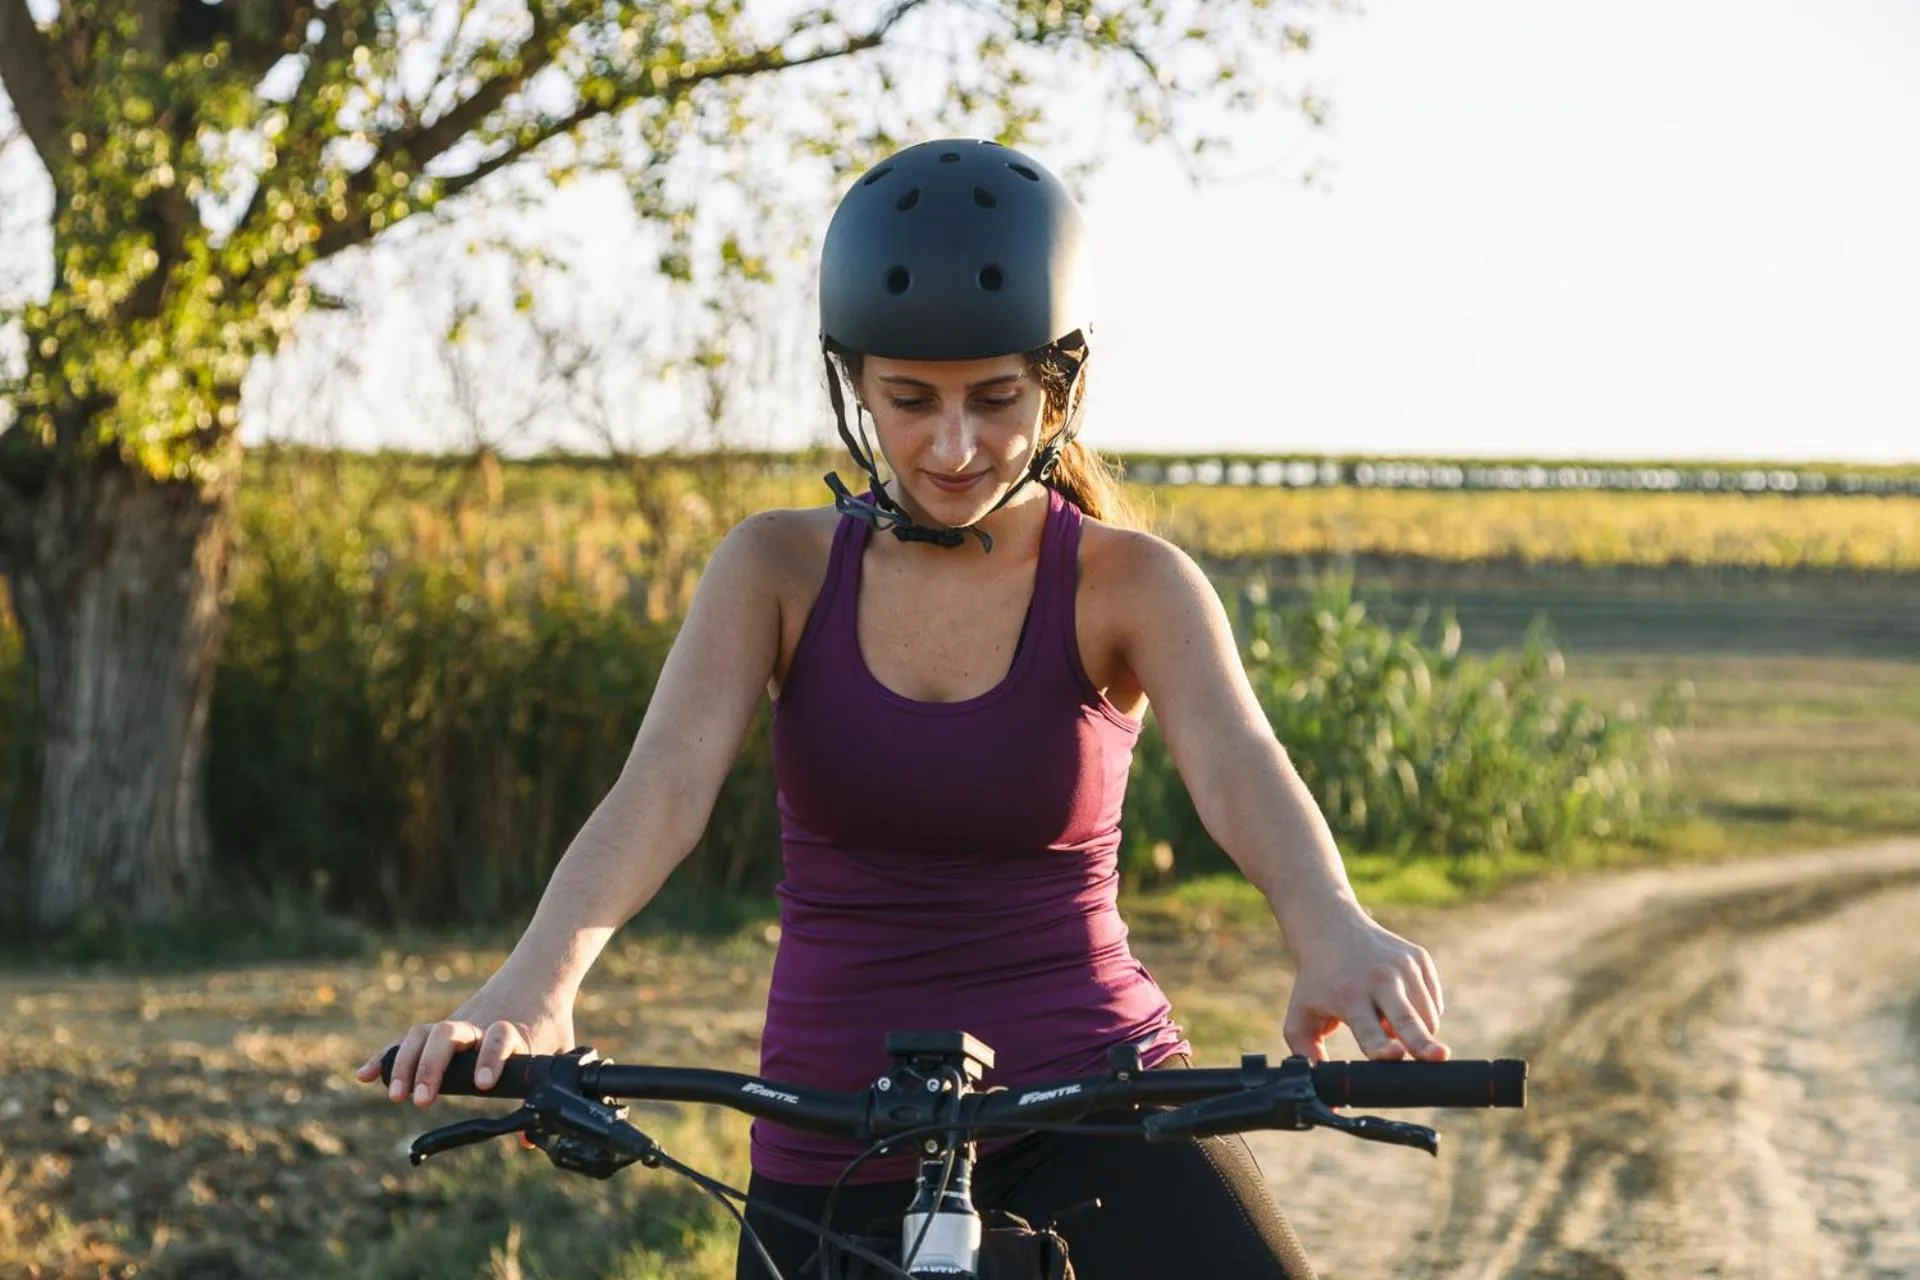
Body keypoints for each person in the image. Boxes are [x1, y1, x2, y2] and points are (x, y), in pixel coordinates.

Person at [358, 138, 1449, 1279]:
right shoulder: (774, 568)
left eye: (997, 398)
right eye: (909, 399)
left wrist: (1330, 924)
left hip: (1102, 1098)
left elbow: (1237, 759)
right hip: (834, 1135)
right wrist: (535, 988)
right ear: (854, 382)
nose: (953, 444)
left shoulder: (1128, 582)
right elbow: (662, 789)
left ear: (1061, 383)